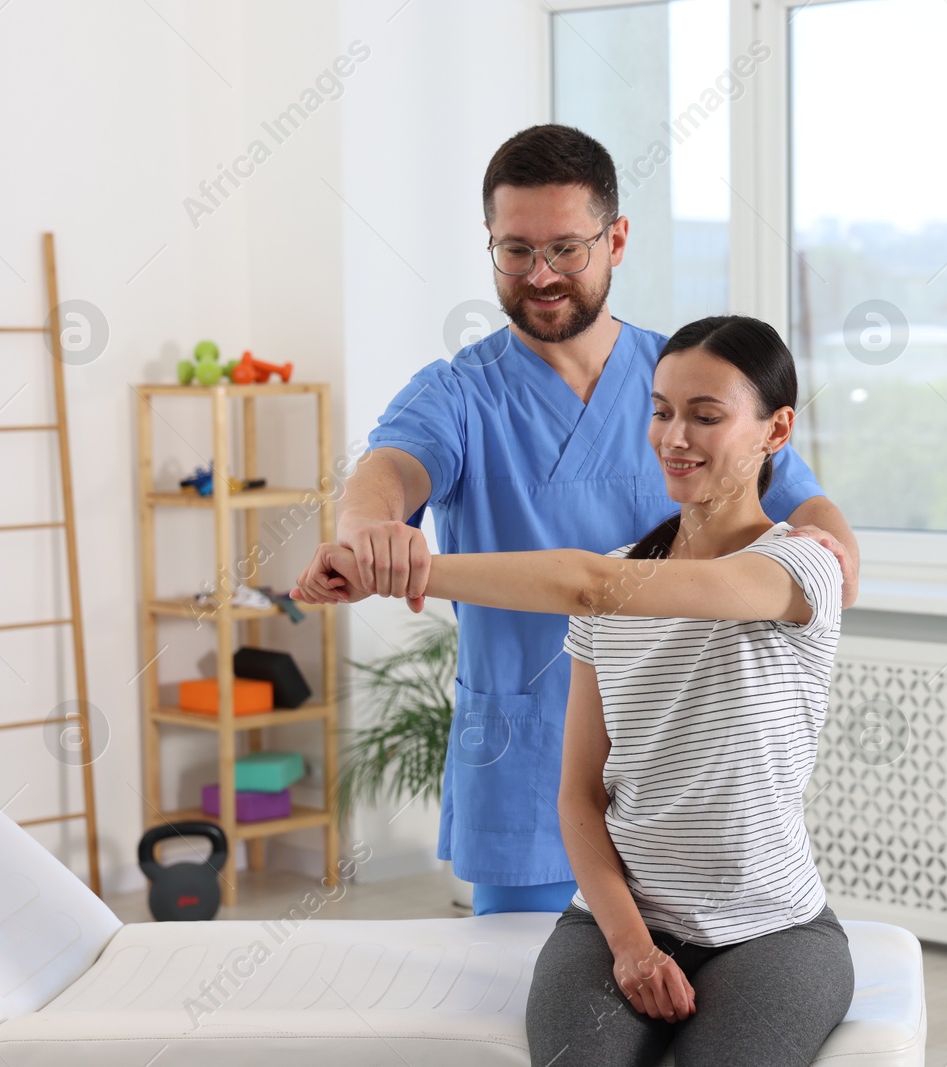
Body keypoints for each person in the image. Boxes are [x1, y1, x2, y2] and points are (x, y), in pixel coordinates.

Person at [292, 124, 860, 916]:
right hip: (531, 771)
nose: (541, 274)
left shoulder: (688, 382)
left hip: (684, 781)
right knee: (538, 1026)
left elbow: (802, 498)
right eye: (515, 250)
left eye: (566, 248)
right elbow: (386, 472)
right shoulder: (460, 392)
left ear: (616, 238)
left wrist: (835, 545)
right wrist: (372, 530)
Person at [295, 315, 854, 1067]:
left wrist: (402, 570)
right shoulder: (616, 578)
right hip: (610, 921)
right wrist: (631, 947)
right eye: (660, 411)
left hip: (771, 929)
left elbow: (589, 585)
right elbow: (579, 797)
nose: (674, 437)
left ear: (775, 429)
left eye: (706, 416)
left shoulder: (799, 568)